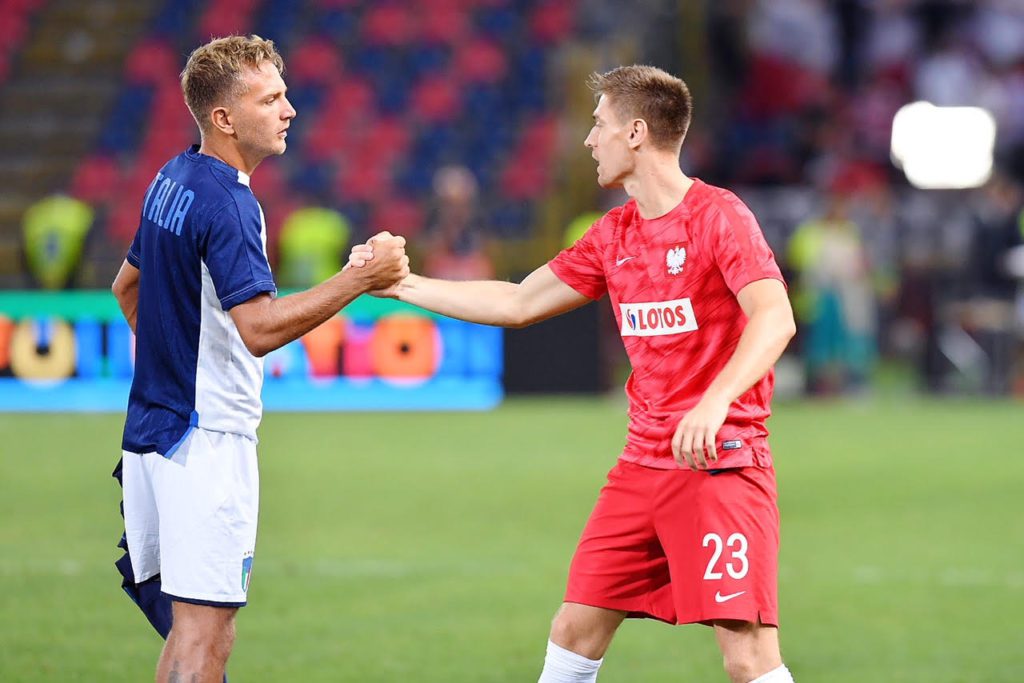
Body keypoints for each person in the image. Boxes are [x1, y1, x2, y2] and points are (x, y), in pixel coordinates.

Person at [351, 65, 797, 683]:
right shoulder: (613, 233)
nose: (588, 140)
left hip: (719, 462)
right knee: (574, 632)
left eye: (598, 124)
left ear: (635, 133)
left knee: (746, 656)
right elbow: (518, 302)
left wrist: (714, 401)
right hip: (642, 465)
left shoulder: (718, 216)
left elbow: (775, 317)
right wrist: (402, 285)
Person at [109, 35, 408, 683]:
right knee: (206, 634)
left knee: (191, 630)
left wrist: (171, 372)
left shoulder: (173, 177)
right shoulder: (230, 202)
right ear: (224, 117)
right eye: (270, 99)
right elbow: (260, 329)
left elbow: (125, 287)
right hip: (206, 441)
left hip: (151, 435)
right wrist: (359, 278)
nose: (289, 109)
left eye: (284, 94)